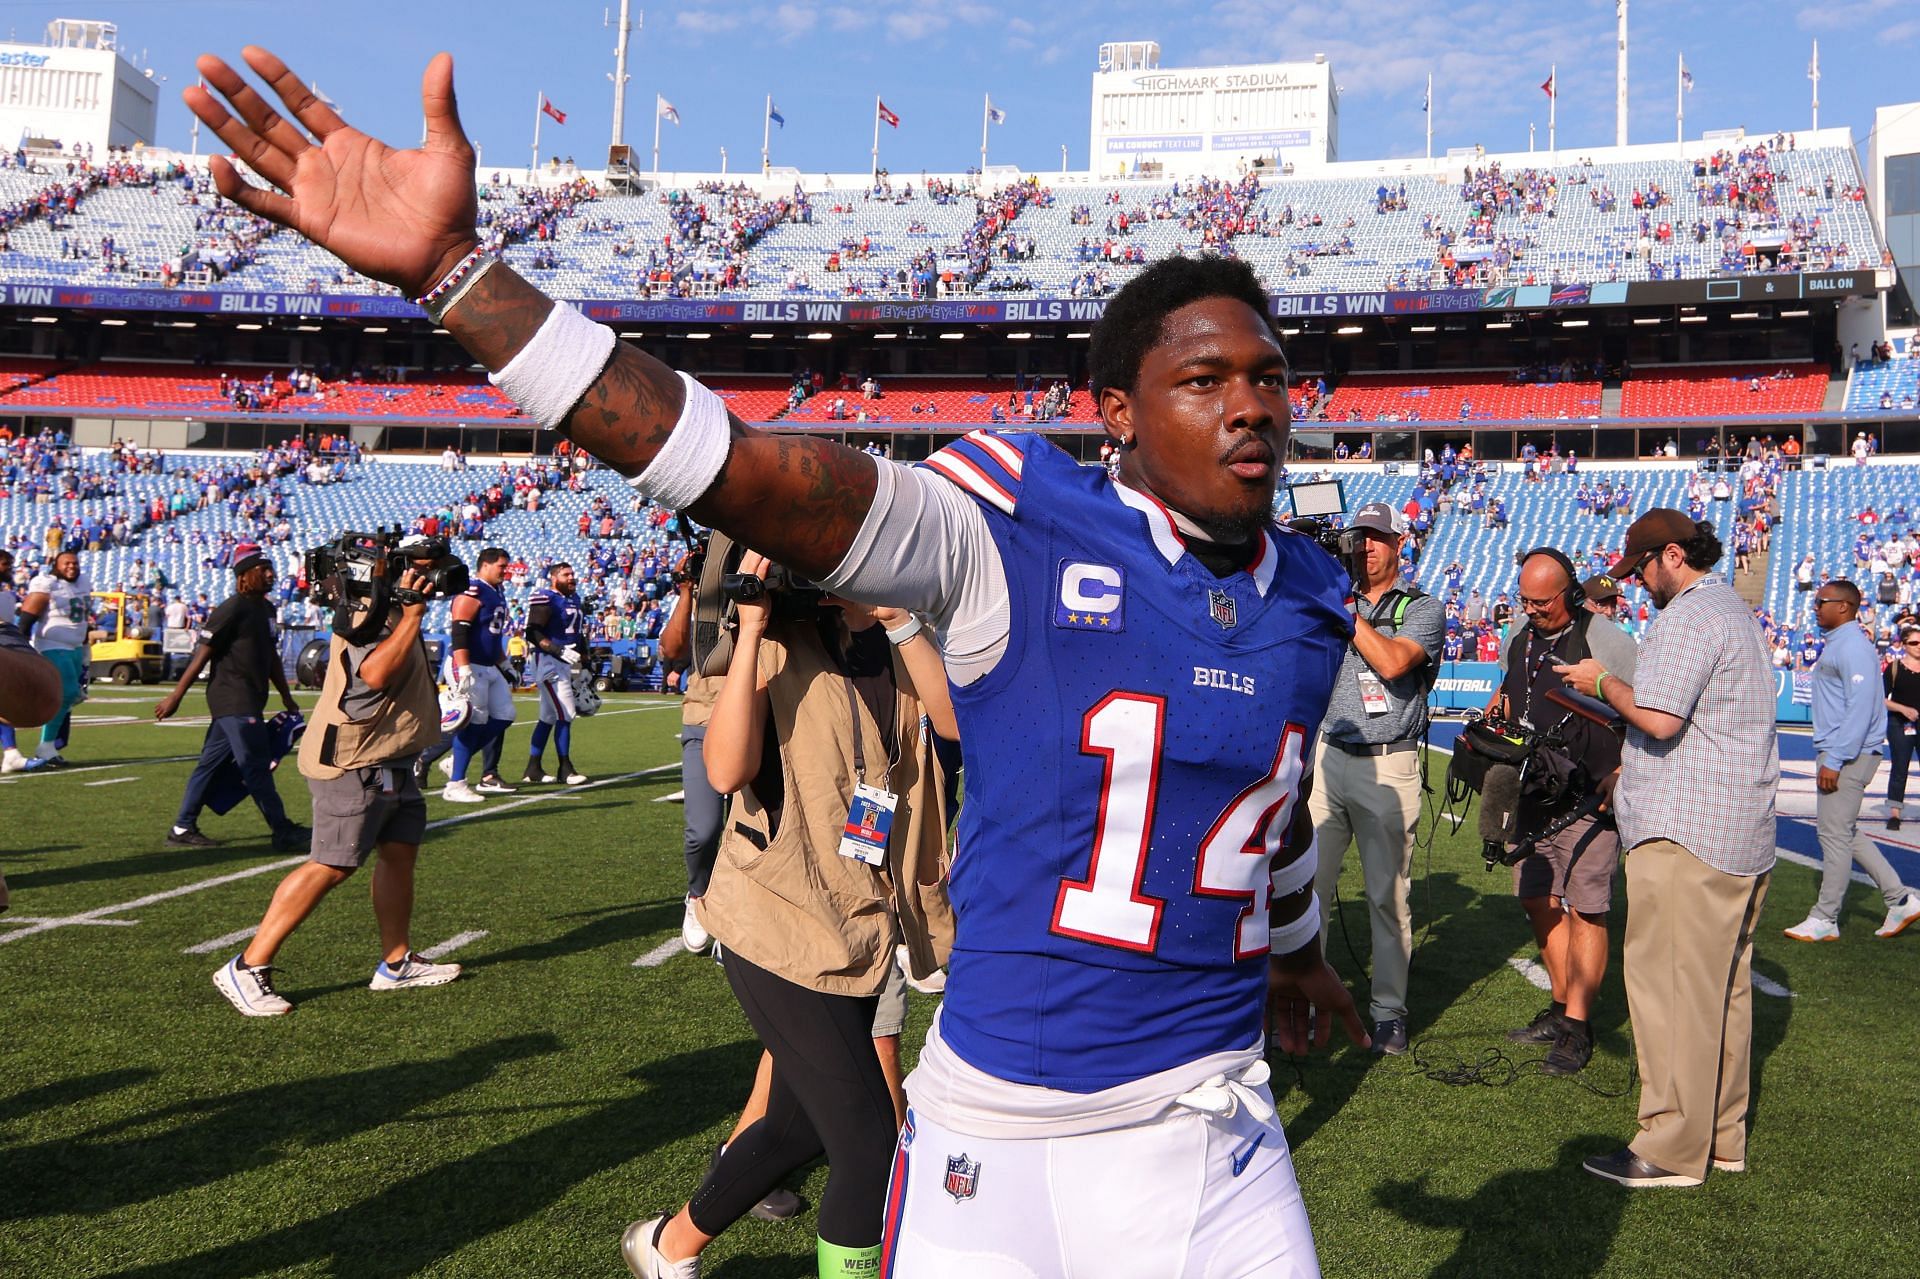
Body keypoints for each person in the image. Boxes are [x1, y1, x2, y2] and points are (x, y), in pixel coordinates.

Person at [184, 60, 1367, 1278]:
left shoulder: (1314, 595)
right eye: (1207, 380)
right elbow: (737, 469)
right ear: (1114, 410)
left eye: (1271, 379)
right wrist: (460, 279)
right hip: (1000, 1136)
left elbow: (1258, 809)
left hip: (1215, 1125)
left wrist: (1297, 952)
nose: (1253, 407)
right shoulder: (1016, 521)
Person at [622, 550, 956, 1279]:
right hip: (774, 921)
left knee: (794, 1126)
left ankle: (666, 1247)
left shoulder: (896, 639)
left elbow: (957, 728)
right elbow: (725, 770)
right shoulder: (772, 644)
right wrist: (748, 625)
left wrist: (899, 618)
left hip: (860, 926)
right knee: (869, 1147)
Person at [1556, 511, 1777, 1188]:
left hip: (1689, 833)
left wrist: (1600, 683)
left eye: (1642, 568)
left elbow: (1657, 714)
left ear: (1672, 555)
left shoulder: (1688, 614)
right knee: (1721, 995)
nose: (1639, 583)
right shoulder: (1733, 611)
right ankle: (1720, 1136)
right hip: (1736, 829)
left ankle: (1672, 1147)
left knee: (1672, 992)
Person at [211, 538, 463, 1017]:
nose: (434, 577)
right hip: (353, 759)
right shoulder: (368, 608)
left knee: (398, 855)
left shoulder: (390, 604)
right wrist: (410, 617)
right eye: (426, 568)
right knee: (334, 863)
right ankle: (247, 965)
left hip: (392, 756)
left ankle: (396, 962)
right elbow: (375, 673)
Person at [1488, 549, 1637, 1075]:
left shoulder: (1608, 640)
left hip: (1589, 793)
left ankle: (1577, 1023)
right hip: (1532, 789)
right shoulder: (1518, 637)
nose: (1531, 610)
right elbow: (1511, 695)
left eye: (1541, 601)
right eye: (1524, 600)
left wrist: (1622, 772)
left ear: (1570, 593)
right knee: (1535, 898)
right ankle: (1559, 1004)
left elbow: (1643, 707)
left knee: (1586, 907)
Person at [1311, 500, 1442, 1056]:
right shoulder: (1327, 599)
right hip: (1326, 756)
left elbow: (1390, 663)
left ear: (1398, 545)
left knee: (1388, 898)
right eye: (1356, 537)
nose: (1363, 547)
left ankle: (1389, 1012)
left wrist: (1344, 608)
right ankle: (1305, 998)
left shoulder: (1423, 608)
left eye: (1376, 538)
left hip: (1389, 761)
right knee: (1306, 892)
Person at [1782, 582, 1920, 941]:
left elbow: (1860, 708)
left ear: (1843, 607)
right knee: (1843, 831)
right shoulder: (1844, 643)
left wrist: (1836, 758)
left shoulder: (1853, 646)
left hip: (1847, 753)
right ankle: (1900, 898)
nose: (1814, 608)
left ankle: (1825, 917)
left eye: (1820, 602)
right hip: (1842, 750)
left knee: (1833, 835)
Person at [156, 543, 311, 852]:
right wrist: (176, 696)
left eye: (271, 569)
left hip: (250, 699)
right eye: (262, 570)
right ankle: (281, 829)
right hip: (233, 699)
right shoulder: (232, 608)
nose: (270, 575)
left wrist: (285, 695)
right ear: (244, 576)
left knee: (209, 766)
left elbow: (271, 657)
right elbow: (202, 656)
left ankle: (182, 826)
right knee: (255, 765)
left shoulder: (266, 609)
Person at [656, 551, 725, 952]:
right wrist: (686, 591)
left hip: (763, 718)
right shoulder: (699, 601)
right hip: (704, 718)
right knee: (703, 829)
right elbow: (672, 649)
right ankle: (698, 894)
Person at [440, 546, 517, 803]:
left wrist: (505, 665)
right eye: (501, 566)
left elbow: (491, 636)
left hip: (488, 664)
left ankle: (457, 760)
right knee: (473, 721)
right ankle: (456, 784)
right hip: (469, 663)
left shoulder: (497, 592)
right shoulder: (472, 589)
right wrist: (463, 669)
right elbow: (459, 632)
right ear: (485, 565)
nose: (505, 572)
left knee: (505, 715)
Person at [15, 549, 92, 769]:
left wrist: (85, 648)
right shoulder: (47, 584)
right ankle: (46, 746)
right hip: (52, 646)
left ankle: (50, 745)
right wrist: (20, 648)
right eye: (66, 563)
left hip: (76, 647)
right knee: (66, 692)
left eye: (75, 563)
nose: (72, 567)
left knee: (72, 696)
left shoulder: (83, 582)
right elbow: (26, 619)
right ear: (56, 565)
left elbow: (83, 618)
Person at [521, 561, 588, 785]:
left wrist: (586, 662)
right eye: (566, 574)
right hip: (548, 661)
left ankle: (533, 768)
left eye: (572, 573)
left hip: (564, 661)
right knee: (566, 714)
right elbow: (532, 632)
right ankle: (565, 769)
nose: (571, 577)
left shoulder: (574, 598)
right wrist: (556, 649)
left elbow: (578, 633)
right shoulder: (546, 597)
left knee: (548, 717)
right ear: (554, 577)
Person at [1886, 627, 1920, 831]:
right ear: (1905, 645)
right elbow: (1880, 699)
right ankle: (1895, 813)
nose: (1919, 647)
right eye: (1914, 643)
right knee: (1900, 767)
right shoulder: (1894, 668)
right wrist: (1903, 709)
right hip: (1900, 724)